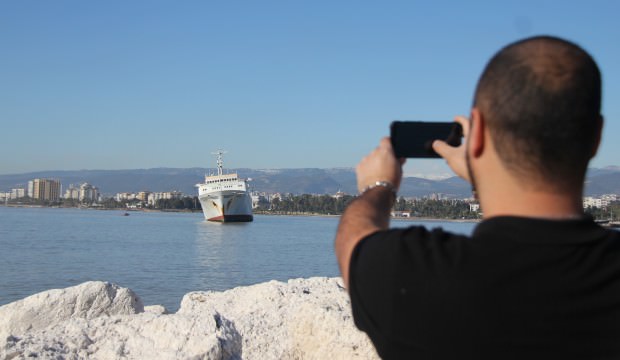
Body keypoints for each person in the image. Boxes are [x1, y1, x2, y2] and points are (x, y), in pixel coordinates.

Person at [334, 35, 620, 359]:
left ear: (478, 131)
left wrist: (379, 185)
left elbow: (353, 241)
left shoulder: (416, 278)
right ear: (596, 137)